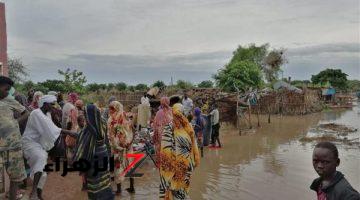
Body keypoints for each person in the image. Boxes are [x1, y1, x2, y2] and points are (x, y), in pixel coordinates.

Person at [21, 95, 77, 200]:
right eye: (52, 104)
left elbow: (51, 129)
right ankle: (33, 192)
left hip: (39, 144)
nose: (53, 106)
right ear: (45, 104)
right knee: (41, 158)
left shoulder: (47, 114)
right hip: (30, 143)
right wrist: (70, 132)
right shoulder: (36, 113)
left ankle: (38, 194)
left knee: (43, 172)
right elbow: (52, 129)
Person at [157, 100, 200, 200]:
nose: (178, 116)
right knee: (179, 193)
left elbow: (194, 147)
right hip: (179, 168)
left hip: (182, 169)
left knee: (179, 192)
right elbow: (165, 151)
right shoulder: (186, 127)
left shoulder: (186, 128)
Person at [73, 104, 114, 200]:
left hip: (93, 159)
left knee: (94, 184)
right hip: (103, 155)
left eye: (85, 114)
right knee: (104, 181)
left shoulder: (88, 130)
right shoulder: (103, 123)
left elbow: (82, 150)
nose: (85, 117)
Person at [0, 76, 29, 200]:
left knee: (15, 178)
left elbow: (26, 113)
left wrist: (16, 122)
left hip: (14, 146)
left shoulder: (9, 100)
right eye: (6, 89)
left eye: (8, 90)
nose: (7, 92)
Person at [107, 101, 135, 194]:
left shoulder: (114, 119)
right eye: (110, 108)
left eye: (112, 108)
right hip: (124, 146)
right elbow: (131, 130)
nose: (110, 110)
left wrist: (125, 142)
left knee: (119, 166)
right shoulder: (121, 116)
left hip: (119, 147)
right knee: (128, 166)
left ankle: (120, 190)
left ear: (117, 108)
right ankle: (130, 188)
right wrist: (129, 142)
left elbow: (129, 129)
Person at [152, 97, 173, 168]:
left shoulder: (159, 112)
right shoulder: (172, 110)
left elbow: (155, 126)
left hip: (161, 136)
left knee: (161, 151)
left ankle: (161, 166)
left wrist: (154, 137)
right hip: (171, 136)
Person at [62, 92, 79, 162]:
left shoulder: (66, 105)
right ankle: (72, 161)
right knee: (72, 146)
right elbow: (70, 120)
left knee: (68, 144)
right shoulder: (72, 107)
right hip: (71, 128)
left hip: (65, 126)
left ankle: (67, 158)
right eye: (76, 97)